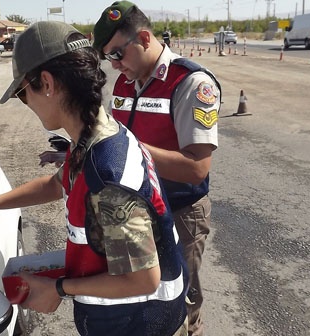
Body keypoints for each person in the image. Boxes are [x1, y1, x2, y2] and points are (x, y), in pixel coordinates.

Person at [0, 21, 188, 336]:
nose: (27, 104)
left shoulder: (108, 175)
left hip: (140, 324)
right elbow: (59, 182)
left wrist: (59, 289)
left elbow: (143, 279)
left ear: (46, 83)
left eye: (22, 93)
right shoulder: (93, 135)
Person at [93, 2, 221, 335]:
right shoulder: (123, 83)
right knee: (143, 300)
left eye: (118, 54)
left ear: (145, 38)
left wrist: (130, 148)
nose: (115, 65)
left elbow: (197, 169)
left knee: (181, 300)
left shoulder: (190, 83)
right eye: (108, 58)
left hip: (180, 212)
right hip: (136, 214)